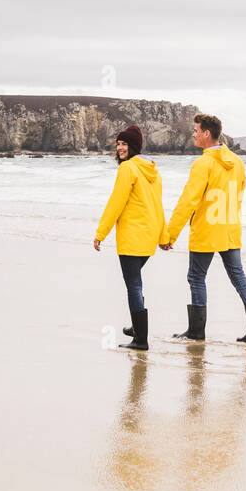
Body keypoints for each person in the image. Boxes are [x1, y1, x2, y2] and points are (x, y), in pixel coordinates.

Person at [159, 113, 246, 343]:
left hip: (207, 229)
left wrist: (170, 234)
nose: (193, 134)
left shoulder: (203, 163)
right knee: (238, 276)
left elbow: (188, 201)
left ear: (207, 134)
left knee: (196, 277)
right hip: (230, 228)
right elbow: (239, 195)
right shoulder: (237, 162)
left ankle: (197, 331)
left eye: (196, 130)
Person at [94, 125, 165, 351]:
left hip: (133, 236)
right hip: (148, 236)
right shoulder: (152, 170)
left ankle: (140, 340)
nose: (120, 147)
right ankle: (137, 329)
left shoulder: (128, 169)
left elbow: (116, 202)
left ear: (134, 146)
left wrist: (100, 234)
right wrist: (163, 235)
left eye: (125, 144)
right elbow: (158, 206)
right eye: (119, 144)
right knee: (136, 283)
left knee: (133, 285)